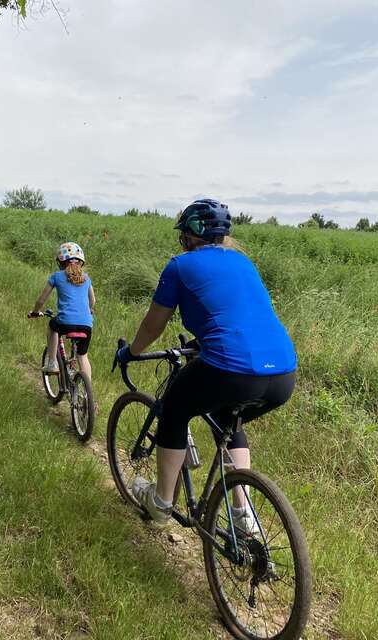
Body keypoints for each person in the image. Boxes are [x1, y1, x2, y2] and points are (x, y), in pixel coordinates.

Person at [116, 199, 297, 532]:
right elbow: (237, 316)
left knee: (172, 409)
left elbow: (154, 325)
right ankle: (244, 517)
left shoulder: (180, 266)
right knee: (229, 418)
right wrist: (201, 345)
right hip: (283, 373)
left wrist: (131, 352)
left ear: (188, 236)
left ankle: (161, 503)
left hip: (229, 368)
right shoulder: (244, 263)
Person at [29, 242, 95, 382]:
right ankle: (88, 397)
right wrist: (90, 310)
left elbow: (41, 300)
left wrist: (35, 312)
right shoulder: (87, 278)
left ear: (60, 261)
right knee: (83, 356)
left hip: (65, 322)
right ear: (81, 262)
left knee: (53, 326)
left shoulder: (57, 276)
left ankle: (52, 362)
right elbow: (92, 301)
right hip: (86, 324)